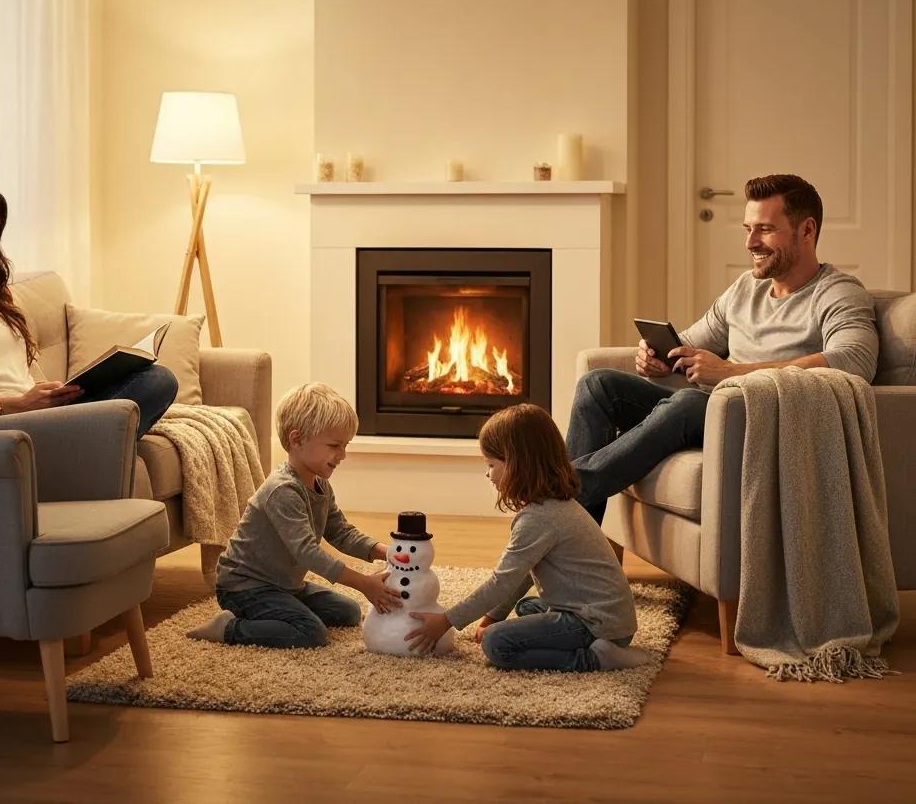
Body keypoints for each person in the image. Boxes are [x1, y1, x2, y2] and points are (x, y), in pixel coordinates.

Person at [567, 173, 879, 524]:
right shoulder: (745, 288)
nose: (750, 242)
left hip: (761, 418)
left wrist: (730, 373)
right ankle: (574, 548)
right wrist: (657, 358)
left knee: (688, 402)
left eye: (765, 229)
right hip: (711, 410)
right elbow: (689, 342)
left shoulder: (838, 292)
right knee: (598, 385)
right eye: (748, 228)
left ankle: (560, 489)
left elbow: (853, 362)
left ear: (806, 231)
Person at [0, 172, 178, 440]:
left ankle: (94, 444)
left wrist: (55, 393)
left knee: (155, 379)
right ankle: (98, 445)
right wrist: (16, 404)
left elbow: (25, 376)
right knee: (150, 390)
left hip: (35, 415)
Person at [405, 403, 649, 672]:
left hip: (597, 624)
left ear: (517, 464)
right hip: (606, 616)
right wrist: (493, 615)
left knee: (497, 644)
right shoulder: (554, 504)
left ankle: (596, 658)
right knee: (527, 608)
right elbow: (522, 575)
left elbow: (501, 582)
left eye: (491, 464)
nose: (488, 474)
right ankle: (593, 644)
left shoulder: (537, 518)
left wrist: (446, 620)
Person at [187, 382, 402, 649]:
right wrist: (363, 583)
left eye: (345, 445)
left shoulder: (320, 484)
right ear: (297, 439)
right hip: (245, 586)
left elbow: (340, 532)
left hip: (284, 584)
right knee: (310, 633)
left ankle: (283, 606)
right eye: (335, 445)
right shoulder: (282, 490)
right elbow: (307, 553)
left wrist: (386, 552)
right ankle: (229, 627)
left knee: (347, 612)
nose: (343, 455)